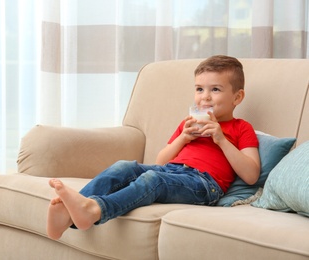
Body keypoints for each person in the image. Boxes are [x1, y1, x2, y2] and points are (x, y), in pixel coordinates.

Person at [46, 55, 260, 240]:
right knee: (124, 167)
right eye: (199, 89)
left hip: (204, 184)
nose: (205, 96)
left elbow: (251, 175)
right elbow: (160, 162)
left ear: (237, 97)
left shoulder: (241, 128)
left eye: (215, 89)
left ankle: (94, 210)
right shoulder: (188, 124)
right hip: (171, 172)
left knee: (153, 180)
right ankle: (70, 212)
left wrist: (221, 139)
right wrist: (183, 138)